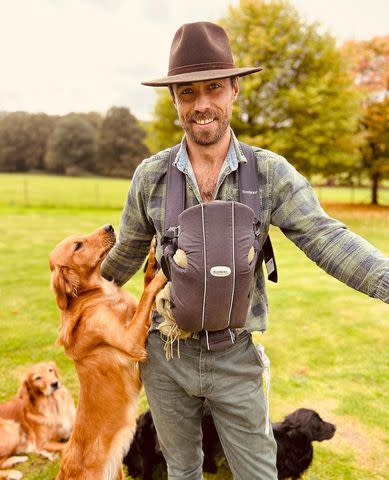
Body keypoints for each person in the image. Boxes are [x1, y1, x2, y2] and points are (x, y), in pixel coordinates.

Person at [101, 21, 388, 480]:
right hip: (165, 359)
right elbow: (120, 263)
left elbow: (328, 238)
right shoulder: (150, 177)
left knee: (257, 472)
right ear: (175, 99)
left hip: (235, 357)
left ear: (234, 89)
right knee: (182, 469)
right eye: (188, 93)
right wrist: (76, 283)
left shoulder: (269, 174)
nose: (202, 105)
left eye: (213, 88)